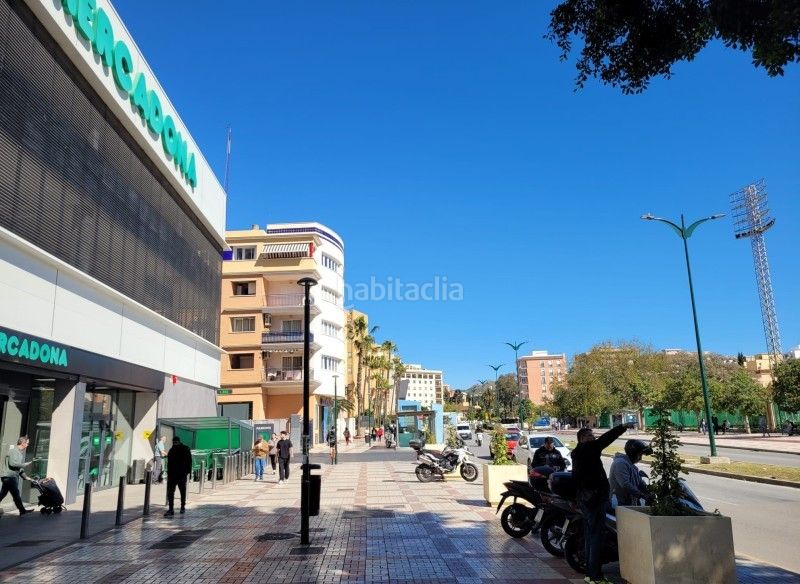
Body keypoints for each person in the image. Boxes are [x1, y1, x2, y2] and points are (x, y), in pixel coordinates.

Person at [571, 423, 632, 584]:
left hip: (584, 499)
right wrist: (622, 427)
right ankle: (595, 575)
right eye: (591, 436)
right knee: (596, 536)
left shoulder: (576, 453)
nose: (594, 438)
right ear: (583, 438)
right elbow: (607, 438)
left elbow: (576, 478)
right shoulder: (590, 449)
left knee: (590, 535)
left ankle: (589, 573)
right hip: (595, 499)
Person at [609, 439, 653, 509]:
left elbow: (640, 482)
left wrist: (649, 490)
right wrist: (643, 496)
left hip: (628, 503)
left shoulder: (632, 466)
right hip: (620, 504)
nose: (641, 458)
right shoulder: (620, 463)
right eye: (640, 454)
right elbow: (625, 484)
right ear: (633, 454)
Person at [1, 436, 34, 516]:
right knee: (16, 494)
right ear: (23, 443)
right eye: (27, 443)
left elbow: (18, 468)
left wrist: (25, 477)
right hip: (9, 477)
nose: (28, 445)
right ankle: (22, 511)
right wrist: (24, 465)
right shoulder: (13, 451)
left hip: (10, 477)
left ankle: (22, 511)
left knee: (3, 494)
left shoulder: (19, 453)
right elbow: (12, 464)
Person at [164, 436, 192, 517]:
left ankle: (182, 506)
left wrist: (187, 472)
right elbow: (169, 463)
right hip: (173, 475)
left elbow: (189, 461)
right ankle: (171, 509)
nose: (175, 443)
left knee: (182, 491)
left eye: (176, 442)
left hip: (180, 474)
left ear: (179, 441)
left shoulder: (184, 449)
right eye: (174, 442)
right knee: (171, 492)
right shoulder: (172, 450)